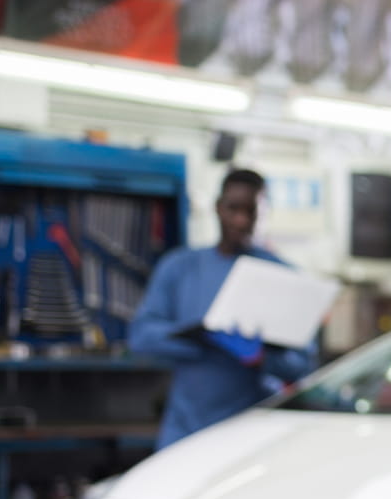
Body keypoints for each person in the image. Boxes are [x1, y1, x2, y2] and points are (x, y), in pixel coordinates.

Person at [130, 168, 317, 448]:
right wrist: (203, 340)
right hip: (184, 428)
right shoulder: (180, 267)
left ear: (262, 214)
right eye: (233, 209)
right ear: (218, 208)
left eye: (250, 212)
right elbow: (141, 337)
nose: (241, 220)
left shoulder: (282, 276)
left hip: (249, 433)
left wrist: (261, 358)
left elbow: (304, 364)